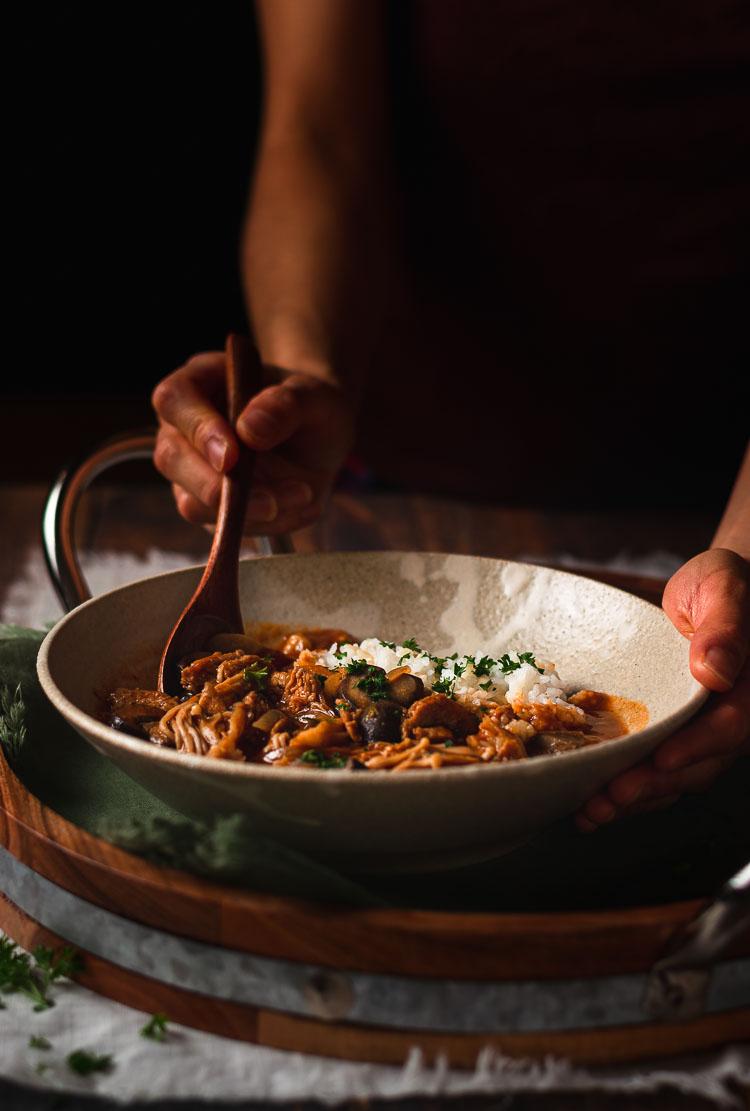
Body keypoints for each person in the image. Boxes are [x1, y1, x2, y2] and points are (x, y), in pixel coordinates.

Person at [151, 0, 750, 830]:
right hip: (408, 455)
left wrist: (744, 556)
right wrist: (304, 381)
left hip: (714, 465)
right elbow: (317, 131)